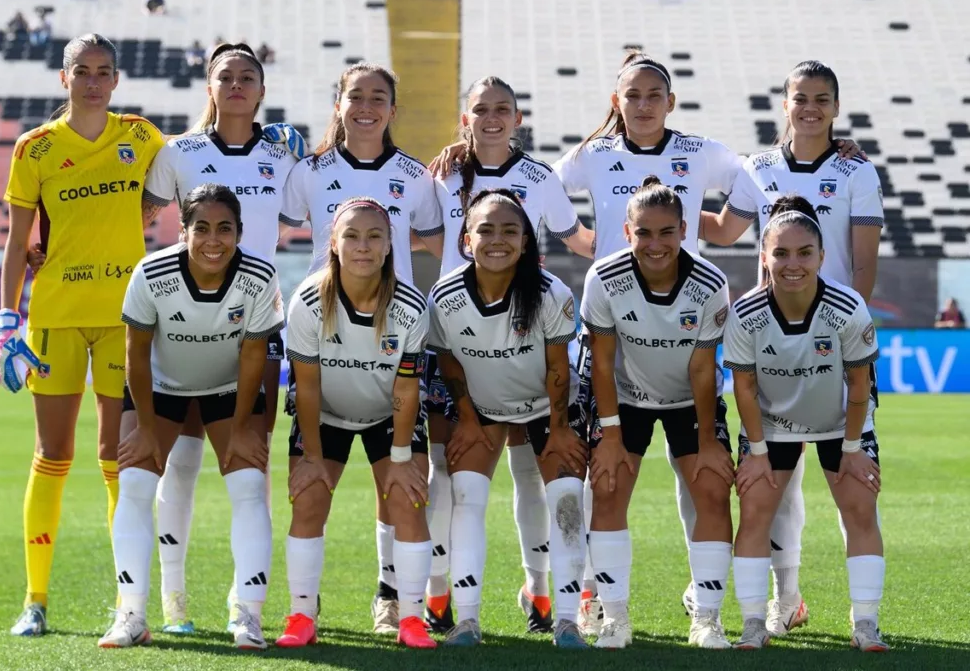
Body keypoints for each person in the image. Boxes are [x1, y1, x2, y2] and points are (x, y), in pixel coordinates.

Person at [550, 50, 864, 634]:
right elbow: (538, 187)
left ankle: (720, 601)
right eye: (632, 96)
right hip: (623, 327)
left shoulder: (703, 155)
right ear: (616, 102)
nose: (644, 106)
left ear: (671, 102)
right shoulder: (593, 157)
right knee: (604, 481)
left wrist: (827, 149)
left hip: (687, 320)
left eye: (655, 96)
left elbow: (766, 185)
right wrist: (581, 238)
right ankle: (597, 597)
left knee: (709, 481)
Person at [704, 60, 883, 635]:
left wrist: (838, 332)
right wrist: (659, 206)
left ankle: (855, 619)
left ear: (835, 105)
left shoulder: (857, 170)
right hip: (768, 339)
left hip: (830, 342)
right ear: (784, 104)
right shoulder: (757, 168)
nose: (810, 107)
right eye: (800, 97)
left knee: (846, 488)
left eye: (821, 98)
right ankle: (781, 601)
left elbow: (862, 267)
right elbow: (727, 232)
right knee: (768, 489)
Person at [0, 33, 164, 637]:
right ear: (63, 79)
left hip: (126, 316)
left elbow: (195, 161)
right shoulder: (35, 147)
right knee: (53, 454)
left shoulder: (141, 137)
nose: (94, 81)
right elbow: (19, 242)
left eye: (104, 71)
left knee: (117, 457)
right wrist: (5, 319)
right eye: (82, 71)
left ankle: (130, 603)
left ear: (116, 79)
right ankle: (35, 600)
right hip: (55, 315)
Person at [140, 41, 304, 634]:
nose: (236, 85)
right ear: (209, 88)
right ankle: (173, 602)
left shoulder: (286, 154)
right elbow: (132, 220)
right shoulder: (177, 153)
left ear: (262, 90)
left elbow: (333, 207)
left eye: (247, 77)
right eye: (225, 77)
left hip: (257, 327)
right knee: (178, 468)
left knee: (249, 468)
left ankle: (246, 609)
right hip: (184, 329)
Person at [423, 76, 595, 634]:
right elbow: (411, 233)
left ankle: (549, 601)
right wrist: (468, 412)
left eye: (503, 108)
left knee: (548, 485)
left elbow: (578, 240)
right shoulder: (441, 173)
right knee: (450, 485)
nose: (491, 117)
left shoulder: (540, 184)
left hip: (530, 363)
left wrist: (641, 252)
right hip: (469, 347)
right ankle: (445, 600)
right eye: (480, 109)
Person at [280, 63, 444, 634]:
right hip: (328, 330)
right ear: (338, 104)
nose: (367, 106)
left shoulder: (416, 176)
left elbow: (436, 236)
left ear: (393, 109)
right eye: (356, 96)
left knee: (399, 487)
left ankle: (397, 602)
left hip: (389, 333)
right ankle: (302, 611)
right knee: (309, 490)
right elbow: (263, 220)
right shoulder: (309, 170)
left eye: (379, 97)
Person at [97, 183, 283, 650]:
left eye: (225, 228)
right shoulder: (151, 272)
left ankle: (247, 613)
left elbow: (253, 358)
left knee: (248, 485)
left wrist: (243, 428)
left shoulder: (260, 276)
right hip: (159, 390)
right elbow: (135, 355)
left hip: (228, 390)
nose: (213, 239)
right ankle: (132, 613)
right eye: (201, 228)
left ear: (240, 232)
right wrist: (142, 427)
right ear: (183, 231)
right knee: (135, 483)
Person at [276, 197, 436, 650]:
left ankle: (409, 618)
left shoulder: (409, 306)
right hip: (324, 413)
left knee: (407, 499)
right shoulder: (308, 301)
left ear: (389, 246)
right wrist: (310, 456)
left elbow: (407, 388)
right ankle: (302, 614)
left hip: (389, 414)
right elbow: (305, 387)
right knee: (307, 498)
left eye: (374, 237)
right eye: (351, 235)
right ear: (333, 242)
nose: (362, 246)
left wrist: (403, 458)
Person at [722, 210, 886, 652]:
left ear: (821, 256)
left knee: (859, 509)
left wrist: (852, 448)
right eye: (781, 253)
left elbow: (859, 382)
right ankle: (754, 623)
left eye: (804, 253)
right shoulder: (745, 313)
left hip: (841, 421)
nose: (792, 263)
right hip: (772, 426)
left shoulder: (848, 306)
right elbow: (745, 386)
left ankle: (866, 623)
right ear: (764, 256)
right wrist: (756, 451)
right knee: (755, 512)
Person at [579, 176, 732, 649]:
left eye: (666, 232)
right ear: (627, 233)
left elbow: (704, 369)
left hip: (690, 398)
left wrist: (708, 441)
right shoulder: (603, 277)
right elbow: (602, 363)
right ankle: (615, 617)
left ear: (684, 231)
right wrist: (608, 436)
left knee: (711, 490)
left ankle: (706, 617)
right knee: (606, 488)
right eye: (644, 232)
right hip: (625, 399)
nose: (655, 243)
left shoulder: (710, 283)